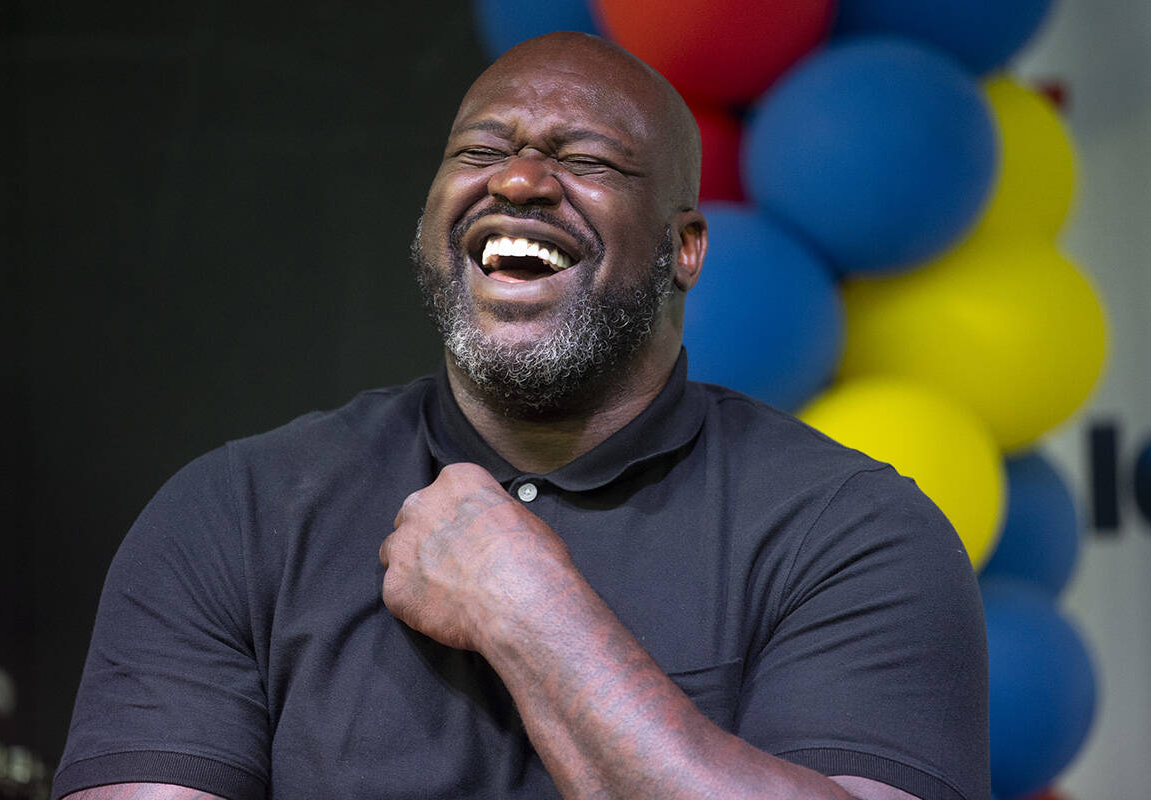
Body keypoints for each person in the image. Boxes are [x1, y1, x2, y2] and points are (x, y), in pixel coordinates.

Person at [53, 32, 989, 800]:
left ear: (684, 249)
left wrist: (532, 612)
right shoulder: (236, 513)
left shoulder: (852, 530)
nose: (517, 182)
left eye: (586, 159)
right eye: (480, 152)